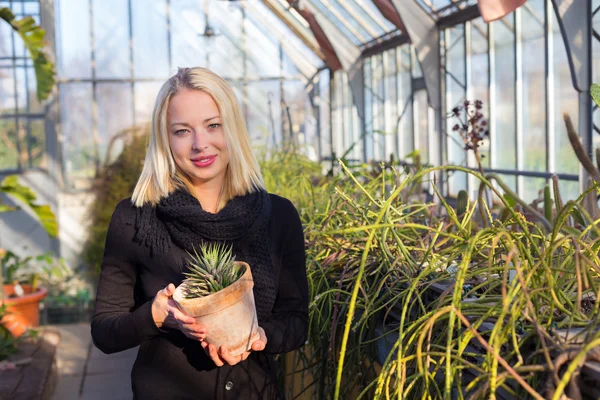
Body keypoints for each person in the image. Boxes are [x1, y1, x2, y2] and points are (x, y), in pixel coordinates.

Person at [91, 67, 308, 399]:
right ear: (165, 139)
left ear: (232, 129)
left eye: (213, 125)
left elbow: (296, 321)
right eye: (182, 131)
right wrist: (156, 315)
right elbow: (105, 331)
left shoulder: (278, 216)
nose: (200, 144)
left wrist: (260, 334)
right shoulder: (135, 218)